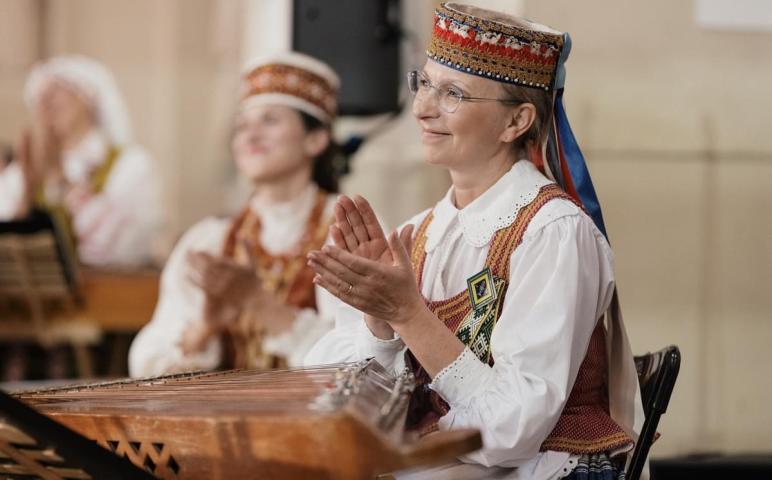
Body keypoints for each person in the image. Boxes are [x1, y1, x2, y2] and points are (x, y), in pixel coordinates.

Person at [305, 3, 644, 479]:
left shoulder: (553, 231)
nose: (423, 108)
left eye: (453, 94)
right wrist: (377, 319)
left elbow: (513, 428)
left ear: (516, 121)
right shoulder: (423, 233)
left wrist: (408, 313)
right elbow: (339, 400)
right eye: (423, 83)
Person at [128, 52, 344, 377]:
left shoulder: (344, 228)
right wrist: (205, 326)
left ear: (316, 139)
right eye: (242, 126)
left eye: (269, 120)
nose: (250, 136)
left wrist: (258, 302)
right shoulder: (210, 239)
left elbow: (361, 361)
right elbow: (147, 364)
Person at [0, 55, 163, 267]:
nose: (45, 100)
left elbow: (119, 251)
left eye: (57, 90)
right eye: (40, 95)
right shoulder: (21, 173)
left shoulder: (131, 165)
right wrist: (28, 193)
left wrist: (59, 181)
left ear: (87, 97)